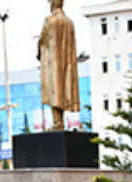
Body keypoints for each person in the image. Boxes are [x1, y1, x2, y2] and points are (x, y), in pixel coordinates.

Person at [38, 0, 80, 131]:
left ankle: (58, 121)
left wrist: (38, 53)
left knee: (54, 90)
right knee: (63, 90)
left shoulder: (50, 21)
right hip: (66, 64)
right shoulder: (69, 23)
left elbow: (42, 40)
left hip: (53, 62)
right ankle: (59, 121)